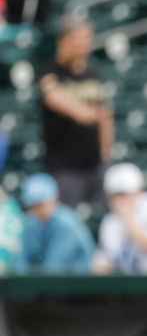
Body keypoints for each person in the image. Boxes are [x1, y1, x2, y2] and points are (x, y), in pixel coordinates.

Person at [39, 17, 113, 207]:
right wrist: (83, 111)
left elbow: (105, 116)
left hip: (95, 165)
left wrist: (105, 155)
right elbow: (52, 96)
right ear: (63, 41)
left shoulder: (92, 73)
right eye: (78, 40)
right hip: (65, 168)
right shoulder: (50, 70)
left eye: (86, 40)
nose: (83, 45)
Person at [14, 173, 95, 273]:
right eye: (34, 205)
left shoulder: (66, 223)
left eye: (42, 204)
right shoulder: (31, 222)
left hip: (80, 283)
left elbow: (53, 268)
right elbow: (20, 262)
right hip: (54, 282)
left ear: (54, 199)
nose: (38, 209)